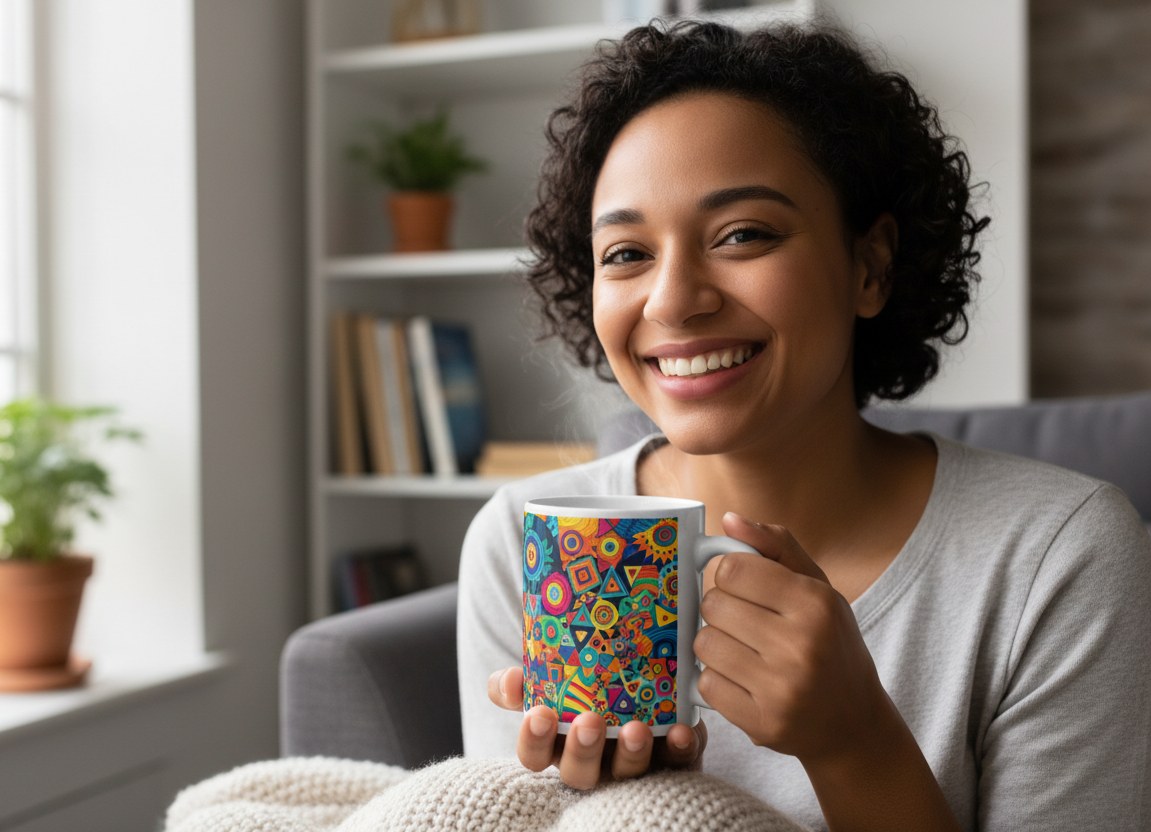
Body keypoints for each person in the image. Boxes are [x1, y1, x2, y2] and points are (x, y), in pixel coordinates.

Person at [457, 20, 1151, 832]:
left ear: (870, 266)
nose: (673, 300)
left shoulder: (1057, 557)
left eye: (742, 234)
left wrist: (856, 744)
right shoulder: (523, 544)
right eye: (625, 254)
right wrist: (616, 803)